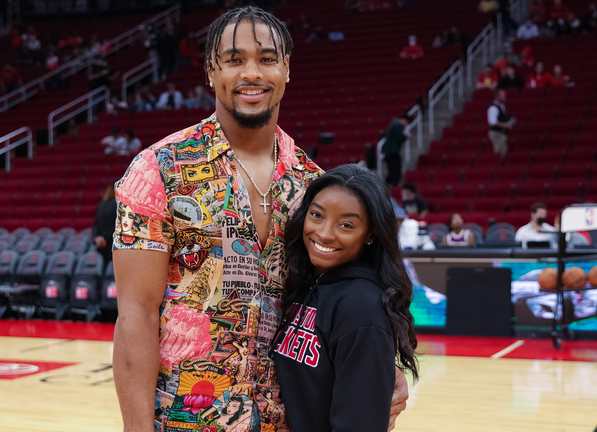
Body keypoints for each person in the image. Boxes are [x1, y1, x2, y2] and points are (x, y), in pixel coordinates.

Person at [111, 7, 409, 432]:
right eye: (234, 60)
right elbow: (136, 311)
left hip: (288, 419)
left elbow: (341, 300)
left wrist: (380, 365)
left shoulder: (313, 185)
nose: (252, 72)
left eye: (267, 58)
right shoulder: (158, 170)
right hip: (185, 419)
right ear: (211, 72)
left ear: (286, 70)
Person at [273, 164, 419, 432]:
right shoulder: (308, 283)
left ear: (371, 234)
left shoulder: (364, 308)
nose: (325, 233)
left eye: (346, 224)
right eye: (317, 215)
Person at [381, 109, 411, 186]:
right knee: (395, 173)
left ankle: (384, 188)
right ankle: (390, 189)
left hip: (390, 152)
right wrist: (406, 136)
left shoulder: (393, 125)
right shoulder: (397, 125)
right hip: (392, 152)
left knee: (392, 173)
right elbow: (400, 137)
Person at [92, 184, 117, 266]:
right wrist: (105, 237)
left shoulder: (101, 205)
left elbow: (95, 226)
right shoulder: (118, 205)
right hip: (113, 243)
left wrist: (97, 238)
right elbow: (118, 226)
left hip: (101, 245)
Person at [487, 89, 514, 159]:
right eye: (502, 95)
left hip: (502, 133)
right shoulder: (493, 108)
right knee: (499, 154)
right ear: (497, 96)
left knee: (503, 152)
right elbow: (492, 122)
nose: (504, 97)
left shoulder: (502, 107)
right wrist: (505, 125)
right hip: (497, 134)